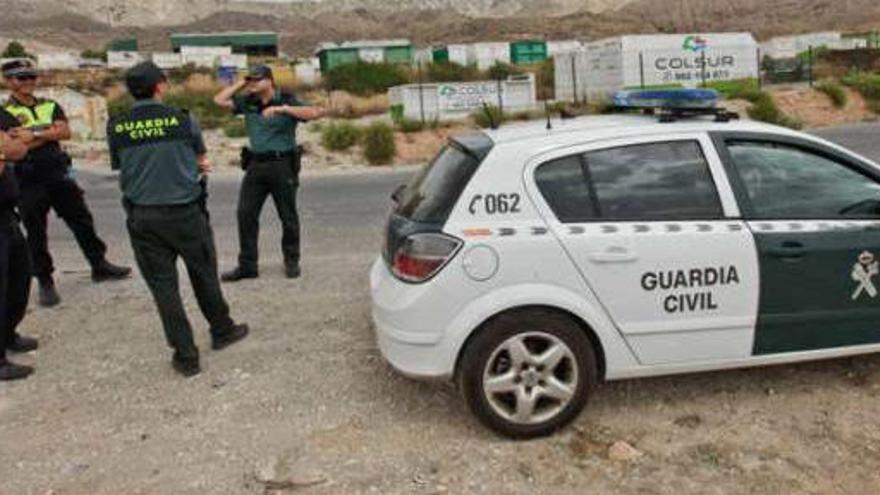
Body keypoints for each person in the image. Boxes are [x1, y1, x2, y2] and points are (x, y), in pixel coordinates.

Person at [108, 62, 249, 377]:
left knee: (163, 287)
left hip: (143, 217)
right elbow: (200, 159)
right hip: (185, 213)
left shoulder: (116, 125)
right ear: (159, 86)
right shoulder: (182, 120)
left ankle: (186, 356)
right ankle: (221, 329)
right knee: (204, 275)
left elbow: (122, 166)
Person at [2, 59, 131, 308]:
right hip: (27, 178)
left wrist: (34, 134)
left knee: (81, 219)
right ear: (9, 81)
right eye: (21, 78)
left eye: (31, 76)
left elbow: (64, 132)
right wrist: (44, 134)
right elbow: (13, 144)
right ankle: (45, 280)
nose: (28, 82)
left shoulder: (50, 105)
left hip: (57, 173)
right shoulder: (5, 112)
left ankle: (99, 264)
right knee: (36, 231)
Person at [213, 65, 323, 282]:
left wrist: (284, 109)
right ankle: (248, 266)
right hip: (256, 165)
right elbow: (219, 100)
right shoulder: (248, 101)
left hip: (282, 165)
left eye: (257, 80)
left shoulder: (286, 98)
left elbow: (315, 112)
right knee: (245, 214)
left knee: (287, 216)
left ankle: (291, 261)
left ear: (270, 81)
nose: (253, 83)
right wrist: (242, 83)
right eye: (251, 80)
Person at [0, 109, 39, 381]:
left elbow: (19, 148)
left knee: (19, 278)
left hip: (6, 215)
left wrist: (7, 148)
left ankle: (7, 334)